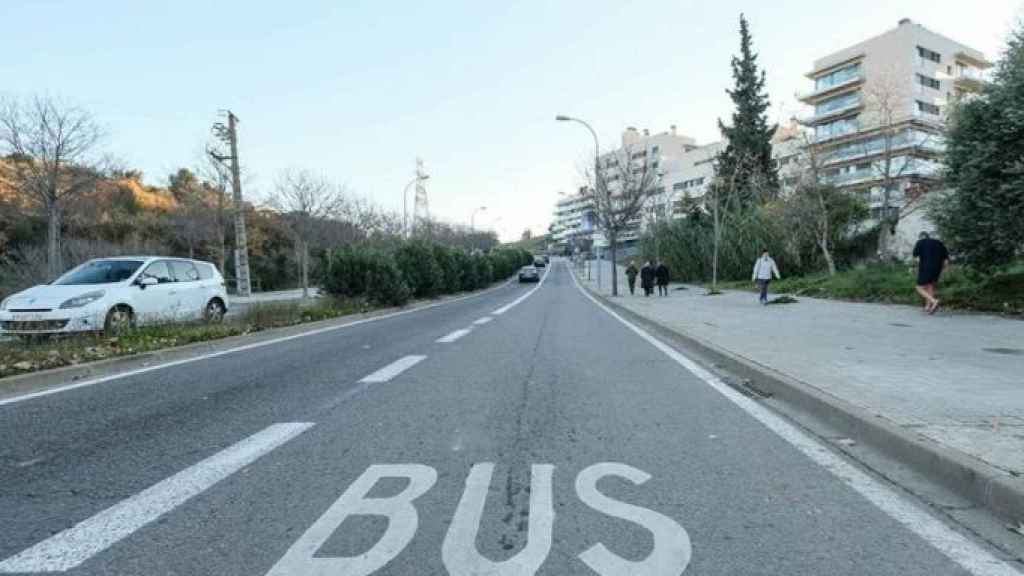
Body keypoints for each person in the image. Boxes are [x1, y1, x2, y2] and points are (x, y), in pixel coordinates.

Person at [912, 231, 949, 314]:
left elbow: (915, 257)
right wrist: (943, 271)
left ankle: (934, 301)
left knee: (919, 287)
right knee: (930, 286)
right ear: (928, 236)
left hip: (926, 267)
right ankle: (928, 307)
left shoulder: (920, 242)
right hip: (937, 268)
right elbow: (946, 261)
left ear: (921, 237)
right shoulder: (939, 243)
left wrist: (915, 268)